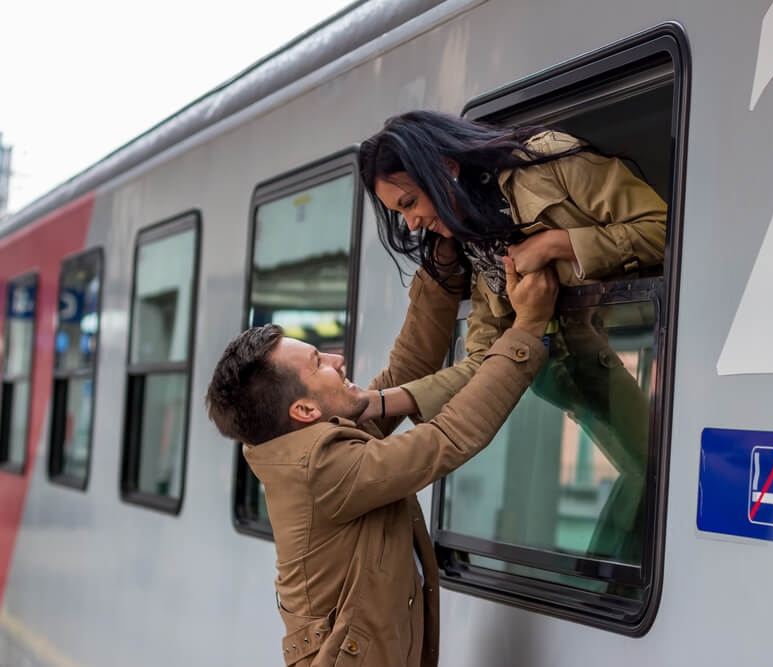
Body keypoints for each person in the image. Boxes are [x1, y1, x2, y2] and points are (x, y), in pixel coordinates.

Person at [205, 255, 557, 667]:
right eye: (319, 363)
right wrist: (527, 330)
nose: (337, 360)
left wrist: (439, 274)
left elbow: (401, 376)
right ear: (304, 410)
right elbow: (445, 439)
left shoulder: (307, 443)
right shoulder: (325, 469)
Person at [358, 110, 666, 563]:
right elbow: (481, 364)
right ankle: (598, 580)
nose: (411, 225)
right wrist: (377, 403)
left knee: (651, 474)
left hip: (597, 362)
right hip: (562, 381)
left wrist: (556, 243)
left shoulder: (548, 162)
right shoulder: (475, 240)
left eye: (408, 203)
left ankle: (600, 582)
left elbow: (664, 230)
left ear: (446, 169)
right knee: (646, 473)